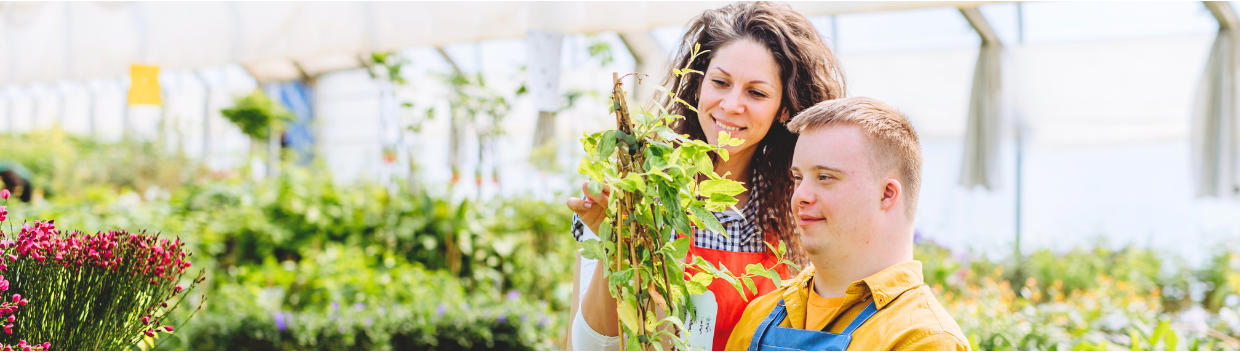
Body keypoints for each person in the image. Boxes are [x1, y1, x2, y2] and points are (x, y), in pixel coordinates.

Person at [565, 2, 845, 350]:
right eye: (720, 82)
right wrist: (621, 248)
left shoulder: (795, 215)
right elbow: (586, 346)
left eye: (756, 92)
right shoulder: (633, 190)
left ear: (783, 109)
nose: (730, 104)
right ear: (697, 84)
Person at [725, 97, 969, 351]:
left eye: (825, 177)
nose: (800, 196)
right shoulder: (758, 316)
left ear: (886, 194)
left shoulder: (925, 340)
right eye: (798, 177)